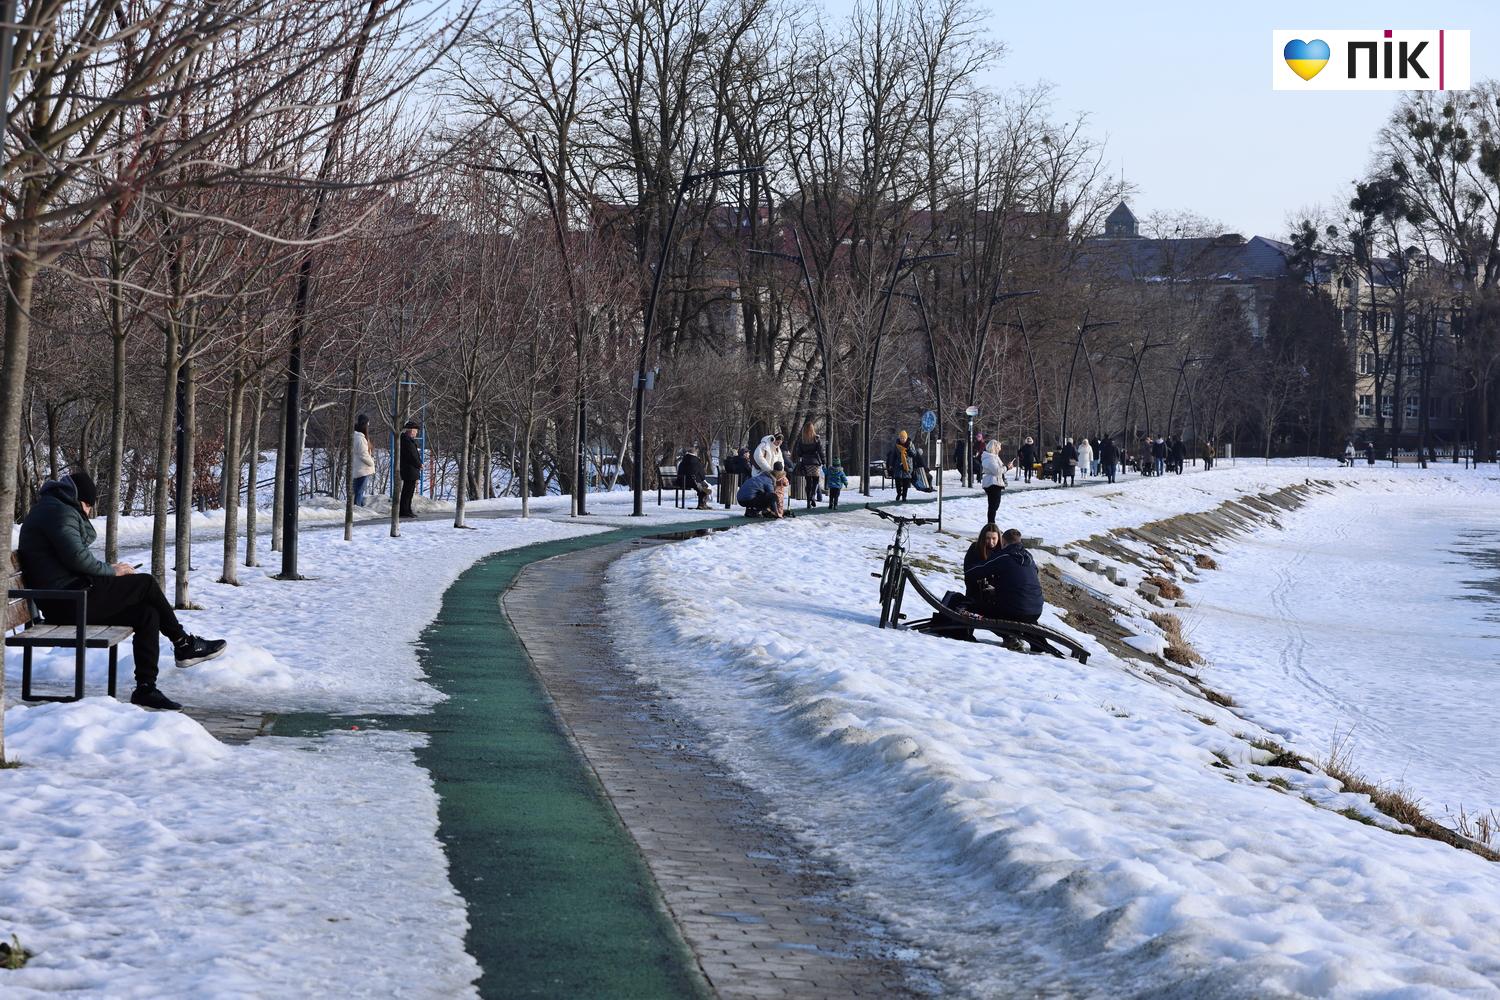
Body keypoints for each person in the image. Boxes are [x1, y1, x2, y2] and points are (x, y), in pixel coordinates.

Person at [16, 472, 226, 711]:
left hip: (69, 596)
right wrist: (112, 571)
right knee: (145, 583)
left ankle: (146, 688)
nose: (87, 512)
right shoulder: (58, 512)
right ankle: (183, 643)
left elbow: (74, 553)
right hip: (67, 602)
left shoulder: (54, 508)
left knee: (147, 613)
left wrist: (108, 569)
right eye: (87, 506)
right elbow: (78, 558)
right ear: (76, 499)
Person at [963, 525, 1043, 624]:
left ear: (1003, 541)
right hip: (1036, 610)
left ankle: (1009, 634)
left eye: (994, 539)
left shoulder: (1004, 556)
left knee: (971, 606)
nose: (991, 542)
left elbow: (972, 572)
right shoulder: (1029, 556)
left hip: (1015, 611)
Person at [792, 422, 825, 510]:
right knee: (816, 481)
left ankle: (808, 502)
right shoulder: (816, 439)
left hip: (806, 463)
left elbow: (799, 453)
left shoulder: (801, 440)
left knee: (808, 482)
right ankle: (813, 496)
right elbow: (821, 451)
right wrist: (823, 461)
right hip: (815, 463)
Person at [980, 440, 1008, 523]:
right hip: (992, 483)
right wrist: (1006, 468)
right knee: (993, 505)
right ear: (994, 448)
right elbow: (997, 471)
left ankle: (991, 523)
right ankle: (991, 524)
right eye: (998, 448)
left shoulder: (994, 457)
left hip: (995, 482)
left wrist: (1006, 467)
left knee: (995, 505)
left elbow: (1000, 468)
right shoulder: (989, 458)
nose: (999, 450)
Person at [398, 420, 422, 518]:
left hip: (410, 469)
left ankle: (407, 509)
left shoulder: (407, 440)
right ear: (411, 430)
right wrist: (419, 464)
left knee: (409, 491)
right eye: (415, 431)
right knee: (407, 492)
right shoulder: (407, 441)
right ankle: (404, 510)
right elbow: (411, 455)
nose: (416, 433)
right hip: (409, 469)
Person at [351, 414, 376, 506]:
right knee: (360, 490)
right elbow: (363, 454)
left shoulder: (356, 436)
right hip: (363, 469)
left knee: (358, 489)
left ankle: (358, 506)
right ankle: (357, 507)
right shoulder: (360, 438)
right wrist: (371, 463)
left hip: (359, 468)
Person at [887, 430, 915, 502]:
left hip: (907, 465)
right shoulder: (896, 445)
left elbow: (914, 454)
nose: (902, 439)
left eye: (904, 438)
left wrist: (909, 450)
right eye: (901, 438)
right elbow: (893, 455)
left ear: (906, 438)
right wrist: (891, 464)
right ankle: (899, 493)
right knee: (897, 481)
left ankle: (904, 496)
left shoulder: (910, 444)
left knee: (906, 481)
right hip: (898, 465)